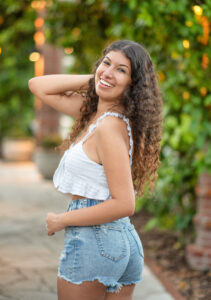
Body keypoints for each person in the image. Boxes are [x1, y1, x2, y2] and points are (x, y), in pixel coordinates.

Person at [28, 40, 163, 300]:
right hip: (117, 240)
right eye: (106, 62)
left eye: (122, 70)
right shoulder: (96, 115)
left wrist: (61, 220)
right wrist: (101, 77)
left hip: (96, 241)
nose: (109, 71)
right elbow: (38, 86)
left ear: (133, 85)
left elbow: (125, 203)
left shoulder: (109, 127)